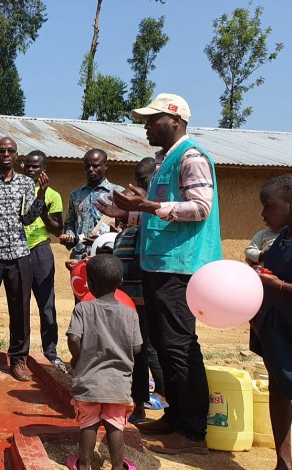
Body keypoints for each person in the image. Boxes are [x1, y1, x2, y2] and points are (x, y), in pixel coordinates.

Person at [106, 93, 220, 454]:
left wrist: (149, 204)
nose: (146, 126)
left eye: (153, 120)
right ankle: (175, 416)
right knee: (162, 343)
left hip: (180, 267)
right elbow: (155, 214)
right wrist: (125, 211)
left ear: (175, 120)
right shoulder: (162, 161)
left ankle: (193, 431)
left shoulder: (191, 157)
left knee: (180, 346)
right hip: (158, 264)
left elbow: (201, 207)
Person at [0, 137, 47, 381]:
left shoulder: (25, 182)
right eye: (1, 150)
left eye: (10, 150)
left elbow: (27, 219)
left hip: (18, 254)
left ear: (16, 156)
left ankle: (18, 360)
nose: (5, 154)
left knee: (20, 309)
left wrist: (41, 195)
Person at [65, 254, 141, 470]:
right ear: (120, 283)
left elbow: (73, 338)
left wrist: (77, 359)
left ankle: (84, 465)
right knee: (115, 425)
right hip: (119, 383)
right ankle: (118, 467)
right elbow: (137, 348)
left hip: (88, 380)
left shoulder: (83, 308)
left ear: (89, 283)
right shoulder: (130, 314)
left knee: (88, 424)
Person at [107, 157, 165, 424]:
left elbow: (139, 266)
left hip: (139, 303)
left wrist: (115, 274)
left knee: (139, 354)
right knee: (125, 353)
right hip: (124, 303)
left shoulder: (144, 231)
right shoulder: (124, 234)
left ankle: (139, 404)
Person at [253, 173, 292, 470]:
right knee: (279, 391)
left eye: (268, 205)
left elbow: (279, 283)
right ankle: (283, 462)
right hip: (275, 330)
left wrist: (277, 285)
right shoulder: (281, 238)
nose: (263, 212)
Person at [22, 150, 67, 371]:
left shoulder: (53, 195)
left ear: (44, 170)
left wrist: (43, 214)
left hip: (40, 250)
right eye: (27, 166)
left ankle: (50, 353)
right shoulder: (16, 192)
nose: (31, 170)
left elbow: (59, 230)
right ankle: (20, 354)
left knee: (46, 305)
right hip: (18, 251)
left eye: (36, 167)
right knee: (19, 305)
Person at [61, 149, 123, 261]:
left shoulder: (117, 193)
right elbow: (69, 223)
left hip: (106, 256)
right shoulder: (75, 195)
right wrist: (69, 235)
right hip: (79, 257)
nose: (91, 169)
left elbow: (123, 225)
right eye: (87, 166)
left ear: (106, 166)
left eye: (95, 166)